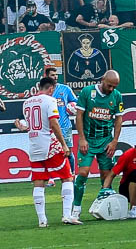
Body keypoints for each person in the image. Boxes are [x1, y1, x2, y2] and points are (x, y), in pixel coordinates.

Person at [20, 76, 77, 226]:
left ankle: (42, 221)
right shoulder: (50, 101)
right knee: (67, 177)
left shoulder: (26, 103)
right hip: (49, 144)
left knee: (39, 182)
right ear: (51, 88)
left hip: (34, 146)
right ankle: (67, 215)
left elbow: (27, 124)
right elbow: (53, 123)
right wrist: (64, 144)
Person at [71, 69, 124, 221]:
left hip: (106, 141)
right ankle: (76, 208)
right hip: (88, 140)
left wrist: (115, 141)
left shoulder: (117, 96)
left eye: (114, 86)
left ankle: (103, 208)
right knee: (83, 173)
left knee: (106, 176)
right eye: (109, 85)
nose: (111, 89)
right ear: (102, 80)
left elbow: (119, 119)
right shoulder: (87, 92)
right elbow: (79, 115)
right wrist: (81, 138)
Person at [101, 138, 136, 218]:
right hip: (126, 190)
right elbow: (111, 175)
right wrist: (104, 191)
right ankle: (133, 208)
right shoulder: (127, 155)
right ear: (135, 147)